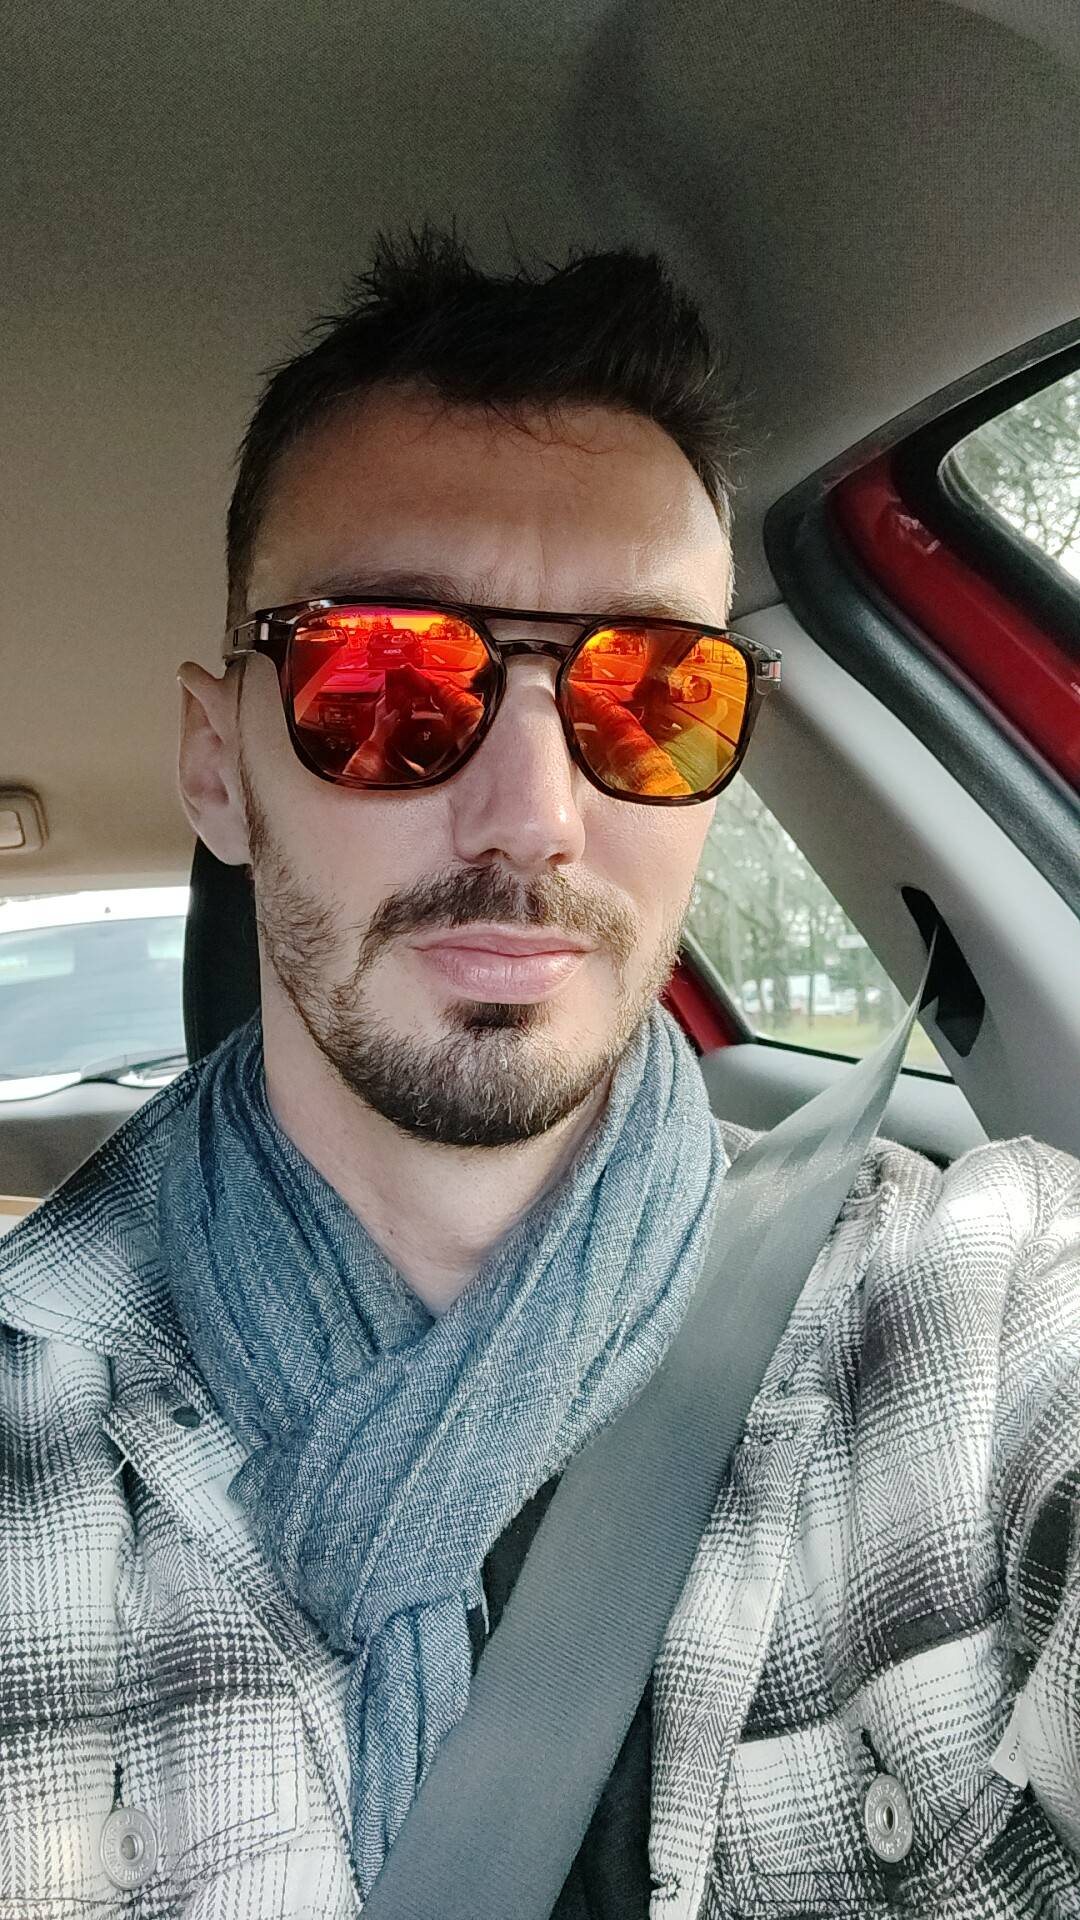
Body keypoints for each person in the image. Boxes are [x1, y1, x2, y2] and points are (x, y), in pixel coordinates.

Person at [1, 228, 1078, 1920]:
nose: (532, 817)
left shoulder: (979, 1308)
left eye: (650, 694)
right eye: (384, 683)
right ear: (217, 768)